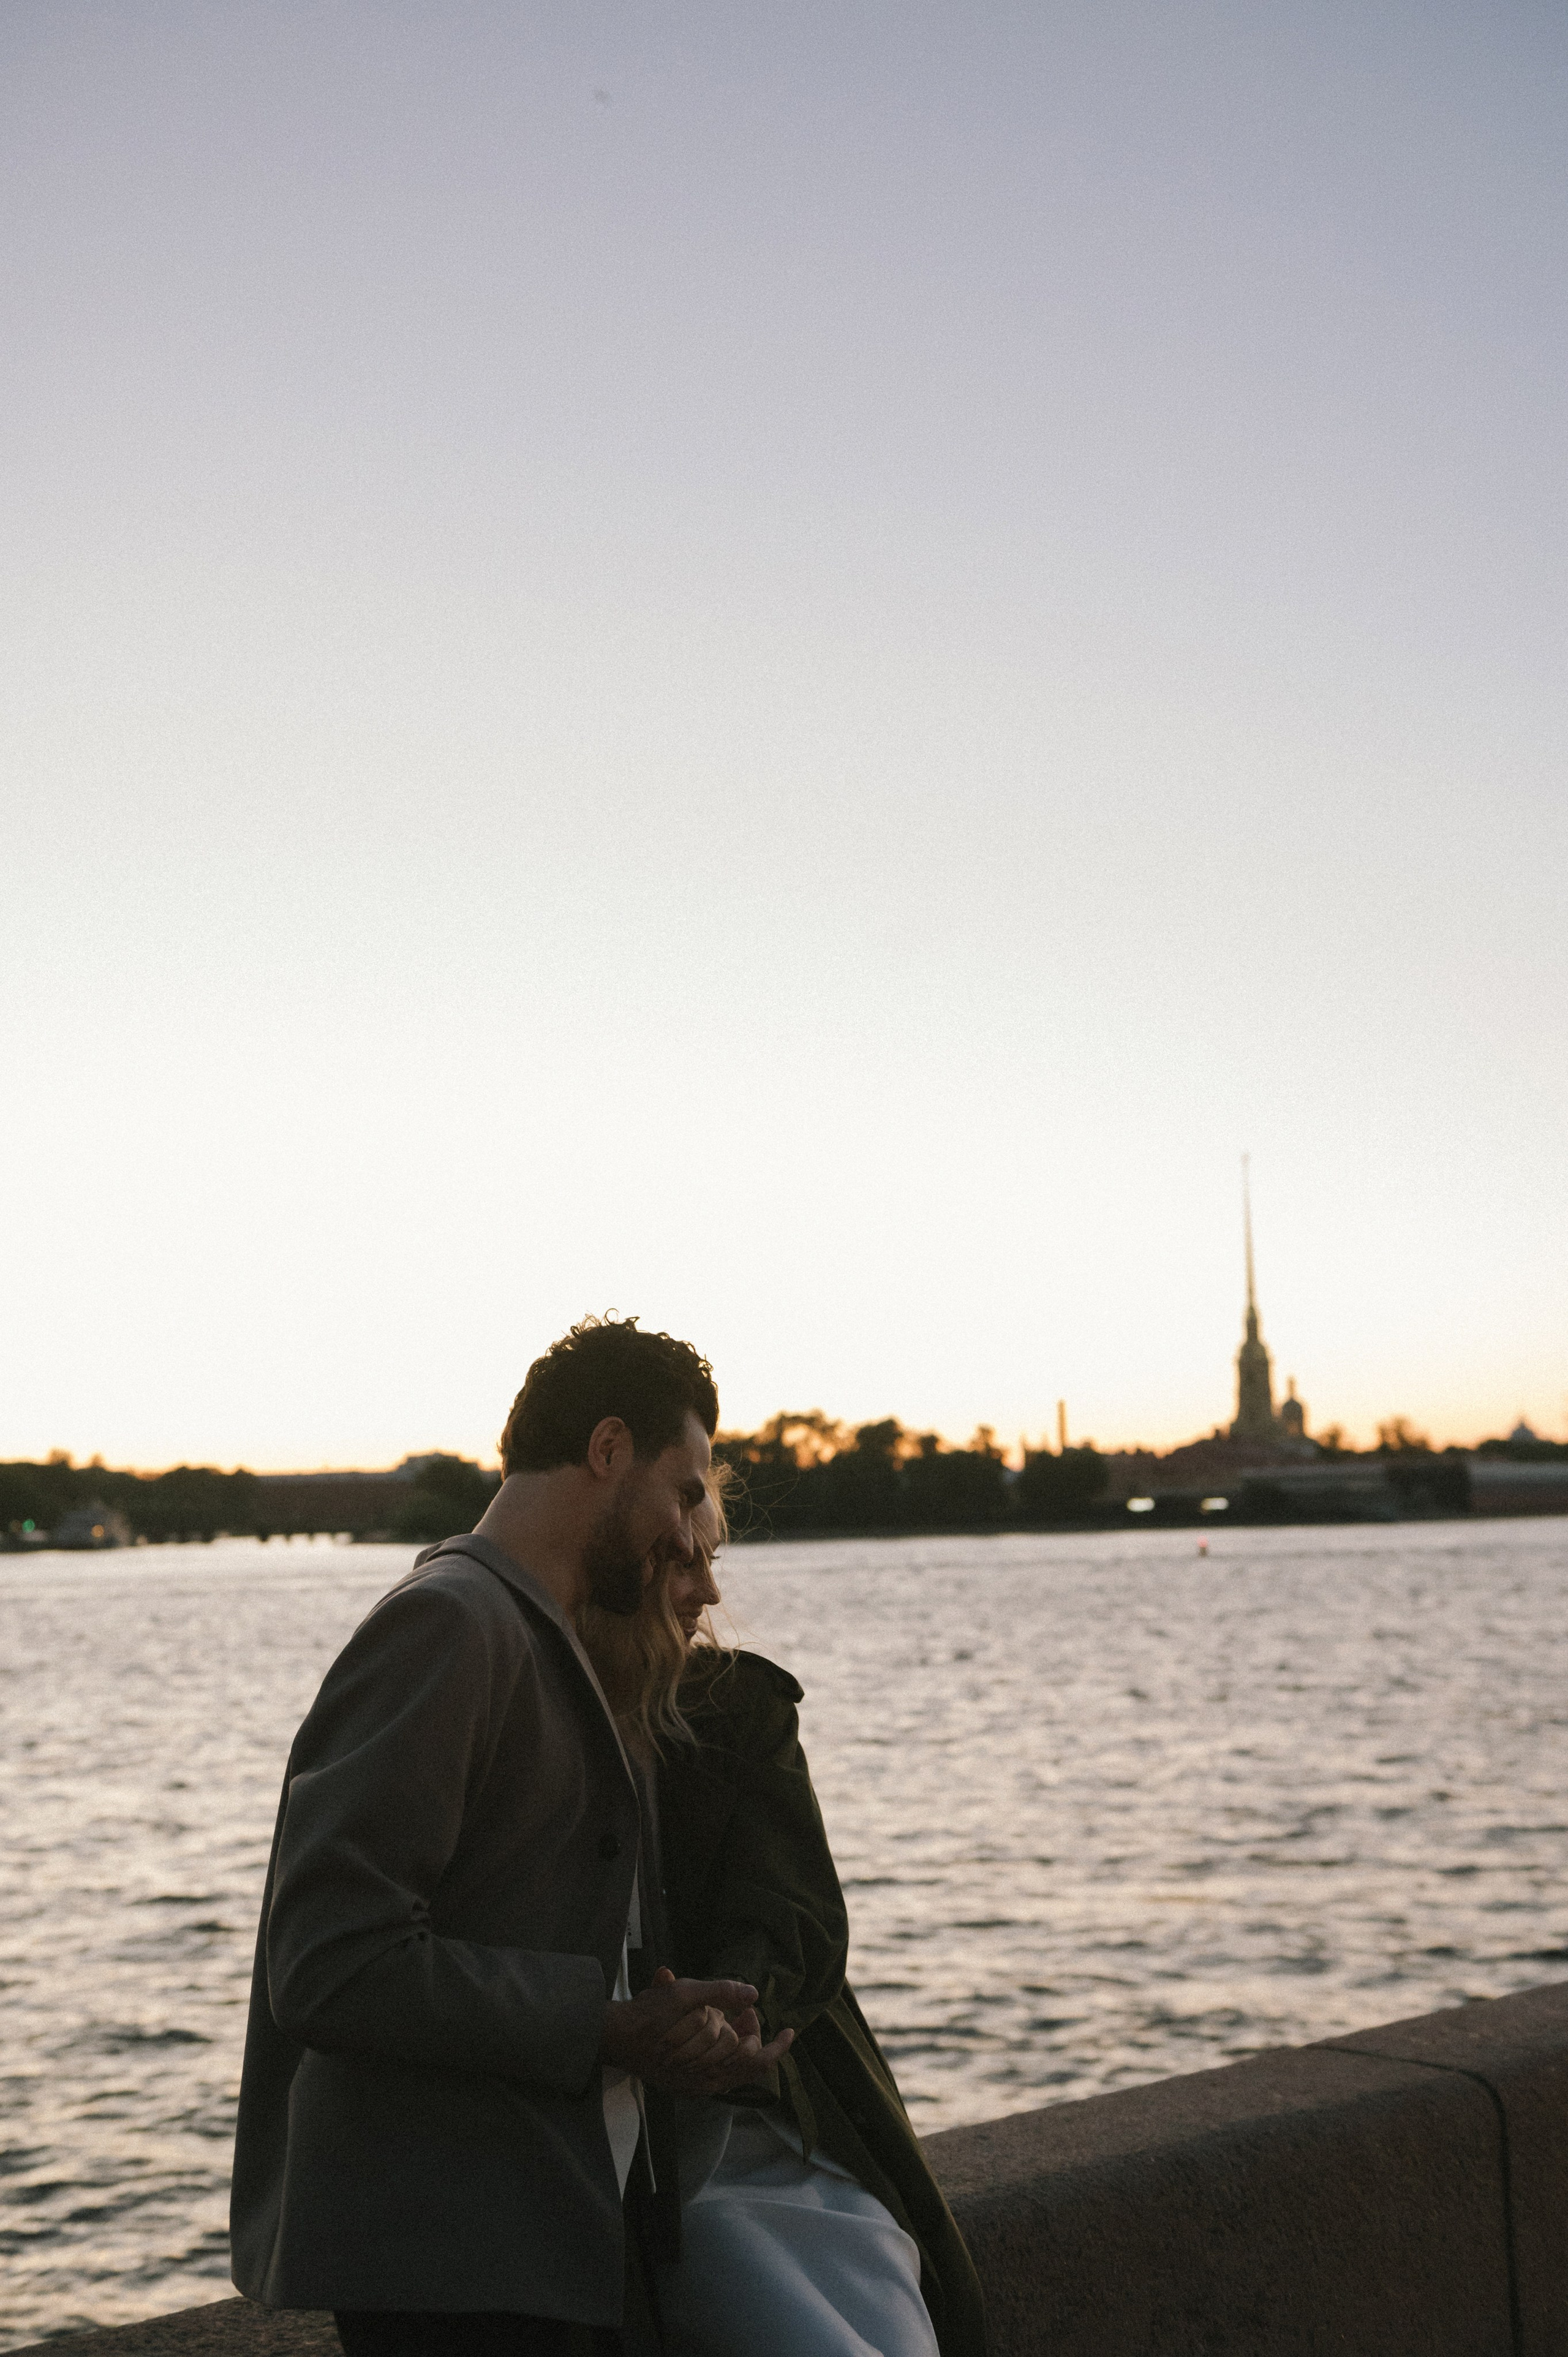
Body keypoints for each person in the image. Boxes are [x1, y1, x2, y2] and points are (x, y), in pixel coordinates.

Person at [230, 1316, 791, 2357]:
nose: (689, 1536)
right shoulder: (448, 1624)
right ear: (608, 1449)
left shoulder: (542, 1632)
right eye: (683, 1493)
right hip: (455, 2269)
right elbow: (330, 1962)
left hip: (534, 2242)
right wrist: (608, 2027)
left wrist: (673, 2031)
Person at [578, 1475, 988, 2357]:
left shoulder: (736, 1706)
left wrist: (728, 2010)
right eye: (682, 1562)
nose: (708, 1590)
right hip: (646, 2161)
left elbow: (797, 1911)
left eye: (712, 1558)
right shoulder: (526, 1707)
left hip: (779, 2121)